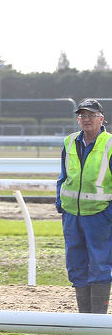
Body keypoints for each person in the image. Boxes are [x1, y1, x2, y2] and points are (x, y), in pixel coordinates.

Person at [56, 98, 112, 313]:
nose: (87, 119)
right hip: (72, 215)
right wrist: (60, 203)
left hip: (100, 216)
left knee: (100, 265)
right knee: (76, 266)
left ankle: (96, 322)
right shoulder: (69, 141)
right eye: (83, 115)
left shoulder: (109, 143)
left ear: (101, 119)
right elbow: (63, 175)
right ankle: (84, 320)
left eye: (91, 115)